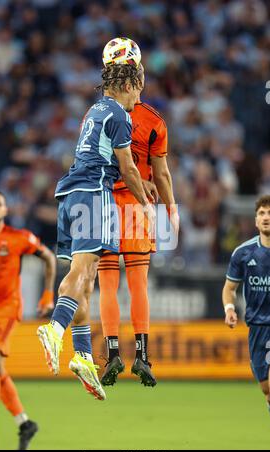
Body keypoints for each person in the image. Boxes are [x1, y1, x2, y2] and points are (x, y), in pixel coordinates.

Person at [37, 63, 155, 401]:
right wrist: (144, 203)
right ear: (128, 84)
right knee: (84, 272)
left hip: (69, 196)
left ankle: (84, 355)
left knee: (85, 279)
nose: (139, 96)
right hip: (93, 194)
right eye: (138, 88)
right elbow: (127, 166)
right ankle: (55, 327)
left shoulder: (94, 110)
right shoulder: (118, 114)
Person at [98, 64, 179, 387]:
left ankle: (112, 352)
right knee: (138, 283)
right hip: (137, 203)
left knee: (106, 282)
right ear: (138, 81)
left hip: (102, 203)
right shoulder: (154, 120)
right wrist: (171, 208)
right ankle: (142, 356)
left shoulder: (97, 115)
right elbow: (161, 174)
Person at [0, 190, 56, 450]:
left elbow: (49, 258)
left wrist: (47, 295)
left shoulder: (18, 238)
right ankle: (25, 423)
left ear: (6, 210)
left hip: (8, 308)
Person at [222, 194, 270, 419]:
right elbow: (229, 288)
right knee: (267, 391)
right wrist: (230, 309)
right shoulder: (243, 253)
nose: (266, 217)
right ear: (255, 221)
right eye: (262, 213)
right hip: (256, 328)